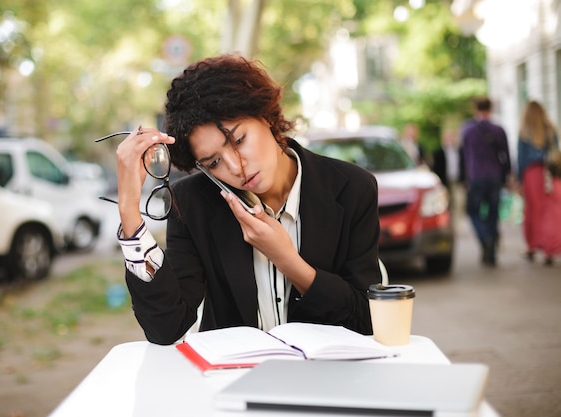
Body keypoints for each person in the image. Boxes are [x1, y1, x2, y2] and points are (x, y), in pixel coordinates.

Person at [110, 54, 381, 345]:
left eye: (239, 141)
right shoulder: (192, 203)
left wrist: (287, 259)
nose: (236, 167)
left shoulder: (352, 187)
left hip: (327, 380)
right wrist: (129, 212)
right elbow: (166, 328)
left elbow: (366, 319)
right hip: (233, 383)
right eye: (214, 163)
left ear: (265, 115)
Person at [461, 97, 511, 267]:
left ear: (475, 108)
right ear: (490, 109)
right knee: (493, 213)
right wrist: (507, 176)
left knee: (473, 212)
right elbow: (505, 156)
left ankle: (485, 239)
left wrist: (464, 177)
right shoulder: (498, 130)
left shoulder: (468, 130)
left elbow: (464, 155)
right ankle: (491, 246)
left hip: (475, 176)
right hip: (494, 176)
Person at [516, 100, 561, 266]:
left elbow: (521, 159)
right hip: (549, 174)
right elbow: (556, 154)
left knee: (532, 211)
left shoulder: (525, 132)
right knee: (550, 211)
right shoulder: (550, 130)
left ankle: (532, 246)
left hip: (532, 174)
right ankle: (550, 249)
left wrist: (520, 180)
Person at [431, 129, 464, 215]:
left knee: (457, 203)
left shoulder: (458, 151)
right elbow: (435, 168)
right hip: (444, 181)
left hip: (456, 180)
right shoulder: (438, 152)